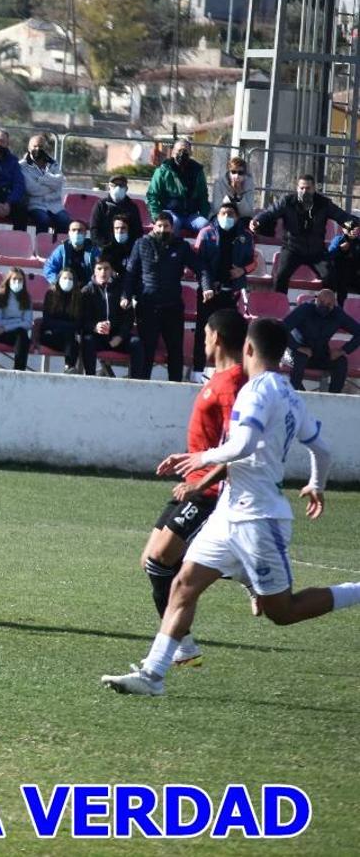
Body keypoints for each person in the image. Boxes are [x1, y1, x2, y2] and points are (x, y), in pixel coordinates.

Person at [102, 318, 359, 697]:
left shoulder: (256, 392)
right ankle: (153, 676)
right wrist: (316, 484)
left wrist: (198, 459)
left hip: (259, 518)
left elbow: (242, 446)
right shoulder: (290, 393)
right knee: (183, 583)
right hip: (229, 511)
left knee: (282, 612)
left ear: (249, 350)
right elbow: (321, 448)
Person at [129, 308, 247, 671]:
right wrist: (187, 459)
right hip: (194, 483)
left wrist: (202, 483)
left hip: (209, 492)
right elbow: (214, 442)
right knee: (151, 561)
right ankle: (186, 639)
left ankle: (178, 645)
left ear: (218, 337)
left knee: (162, 560)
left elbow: (238, 447)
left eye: (207, 334)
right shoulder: (219, 377)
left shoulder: (234, 384)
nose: (203, 340)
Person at [252, 174, 357, 294]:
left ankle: (326, 306)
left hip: (317, 251)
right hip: (292, 249)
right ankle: (279, 307)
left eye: (308, 188)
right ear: (297, 188)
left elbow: (342, 216)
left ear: (314, 189)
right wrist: (257, 220)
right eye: (301, 188)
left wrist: (353, 225)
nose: (304, 191)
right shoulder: (287, 202)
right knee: (280, 276)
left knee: (330, 276)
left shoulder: (323, 203)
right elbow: (270, 213)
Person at [123, 212, 194, 382]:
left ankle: (175, 386)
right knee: (147, 350)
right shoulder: (141, 244)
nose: (163, 229)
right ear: (154, 226)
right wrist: (126, 295)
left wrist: (207, 286)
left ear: (172, 228)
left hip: (173, 307)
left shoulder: (181, 246)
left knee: (175, 351)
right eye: (160, 226)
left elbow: (200, 267)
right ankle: (143, 387)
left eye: (166, 226)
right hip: (148, 306)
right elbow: (130, 273)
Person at [191, 201, 256, 378]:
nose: (226, 217)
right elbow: (197, 262)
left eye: (231, 214)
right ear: (217, 215)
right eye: (223, 213)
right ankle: (197, 371)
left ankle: (227, 371)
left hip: (232, 292)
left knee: (231, 334)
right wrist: (206, 286)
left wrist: (242, 270)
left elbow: (253, 262)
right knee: (203, 332)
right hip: (209, 292)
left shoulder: (246, 237)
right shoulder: (206, 233)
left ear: (237, 217)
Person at [282, 289, 360, 393]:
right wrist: (298, 347)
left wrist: (343, 350)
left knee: (341, 361)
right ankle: (295, 395)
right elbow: (282, 328)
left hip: (320, 354)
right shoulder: (304, 309)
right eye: (322, 302)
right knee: (300, 358)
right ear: (316, 299)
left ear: (334, 304)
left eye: (329, 304)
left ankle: (333, 398)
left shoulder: (337, 314)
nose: (324, 306)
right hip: (293, 354)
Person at [79, 258, 144, 377]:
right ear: (94, 270)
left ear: (111, 271)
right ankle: (90, 379)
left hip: (116, 338)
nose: (103, 272)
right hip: (97, 337)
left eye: (106, 268)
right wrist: (94, 327)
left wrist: (120, 336)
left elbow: (129, 318)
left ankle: (136, 383)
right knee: (87, 340)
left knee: (136, 343)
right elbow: (81, 319)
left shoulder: (121, 291)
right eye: (99, 268)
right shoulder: (86, 291)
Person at [146, 139, 211, 235]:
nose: (182, 154)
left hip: (191, 215)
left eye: (185, 151)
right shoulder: (163, 171)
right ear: (172, 152)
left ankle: (201, 250)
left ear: (191, 153)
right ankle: (171, 249)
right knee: (172, 224)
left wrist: (204, 215)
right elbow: (152, 195)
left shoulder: (197, 171)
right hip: (171, 213)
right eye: (179, 151)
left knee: (205, 225)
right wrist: (157, 217)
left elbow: (203, 196)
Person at [20, 135, 69, 235]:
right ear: (29, 148)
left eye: (41, 146)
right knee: (43, 221)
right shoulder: (23, 165)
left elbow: (60, 180)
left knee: (65, 221)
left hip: (55, 206)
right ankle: (42, 249)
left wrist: (40, 180)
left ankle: (58, 248)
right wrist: (51, 184)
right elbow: (31, 189)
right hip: (35, 205)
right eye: (35, 146)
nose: (38, 149)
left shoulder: (53, 163)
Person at [41, 267, 83, 373]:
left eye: (70, 279)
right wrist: (66, 326)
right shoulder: (51, 294)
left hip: (67, 338)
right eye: (64, 278)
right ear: (59, 279)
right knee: (70, 339)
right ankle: (69, 367)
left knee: (72, 341)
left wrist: (60, 326)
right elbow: (47, 321)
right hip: (50, 335)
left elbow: (78, 324)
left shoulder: (78, 297)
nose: (67, 281)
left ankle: (69, 368)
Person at [0, 268, 32, 370]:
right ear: (8, 280)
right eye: (14, 279)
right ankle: (19, 370)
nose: (17, 282)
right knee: (22, 334)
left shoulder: (27, 298)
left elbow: (28, 324)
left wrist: (6, 326)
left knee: (22, 334)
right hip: (2, 336)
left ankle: (18, 370)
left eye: (20, 280)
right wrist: (19, 320)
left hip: (10, 332)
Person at [89, 175, 145, 250]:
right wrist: (105, 246)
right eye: (114, 185)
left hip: (127, 249)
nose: (118, 188)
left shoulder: (132, 207)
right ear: (109, 187)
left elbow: (138, 231)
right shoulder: (101, 205)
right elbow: (94, 229)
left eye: (121, 185)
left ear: (126, 188)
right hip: (105, 248)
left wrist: (128, 247)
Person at [42, 219, 102, 286]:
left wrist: (92, 284)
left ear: (85, 233)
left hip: (88, 289)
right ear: (69, 233)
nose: (77, 233)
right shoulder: (62, 250)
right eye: (73, 230)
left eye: (80, 230)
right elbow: (49, 268)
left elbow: (101, 270)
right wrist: (58, 282)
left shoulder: (94, 250)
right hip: (66, 287)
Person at [327, 219, 360, 303]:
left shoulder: (358, 243)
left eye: (356, 228)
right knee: (339, 284)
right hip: (338, 275)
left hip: (353, 276)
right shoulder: (339, 239)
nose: (354, 231)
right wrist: (340, 249)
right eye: (351, 228)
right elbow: (330, 254)